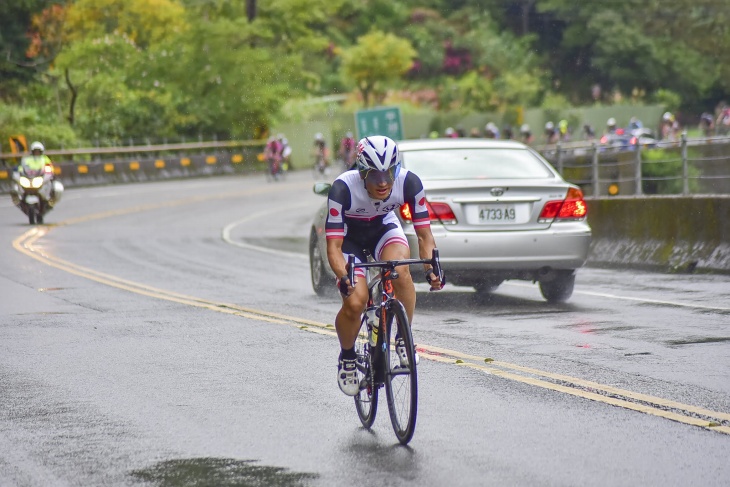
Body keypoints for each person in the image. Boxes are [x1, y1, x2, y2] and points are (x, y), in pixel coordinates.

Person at [325, 135, 444, 396]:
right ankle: (347, 356)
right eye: (374, 175)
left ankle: (403, 337)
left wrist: (431, 269)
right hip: (350, 238)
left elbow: (425, 236)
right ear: (361, 171)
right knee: (356, 302)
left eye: (389, 173)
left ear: (396, 168)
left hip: (383, 229)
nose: (382, 182)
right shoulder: (342, 188)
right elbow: (333, 248)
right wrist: (342, 275)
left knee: (400, 269)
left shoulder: (409, 182)